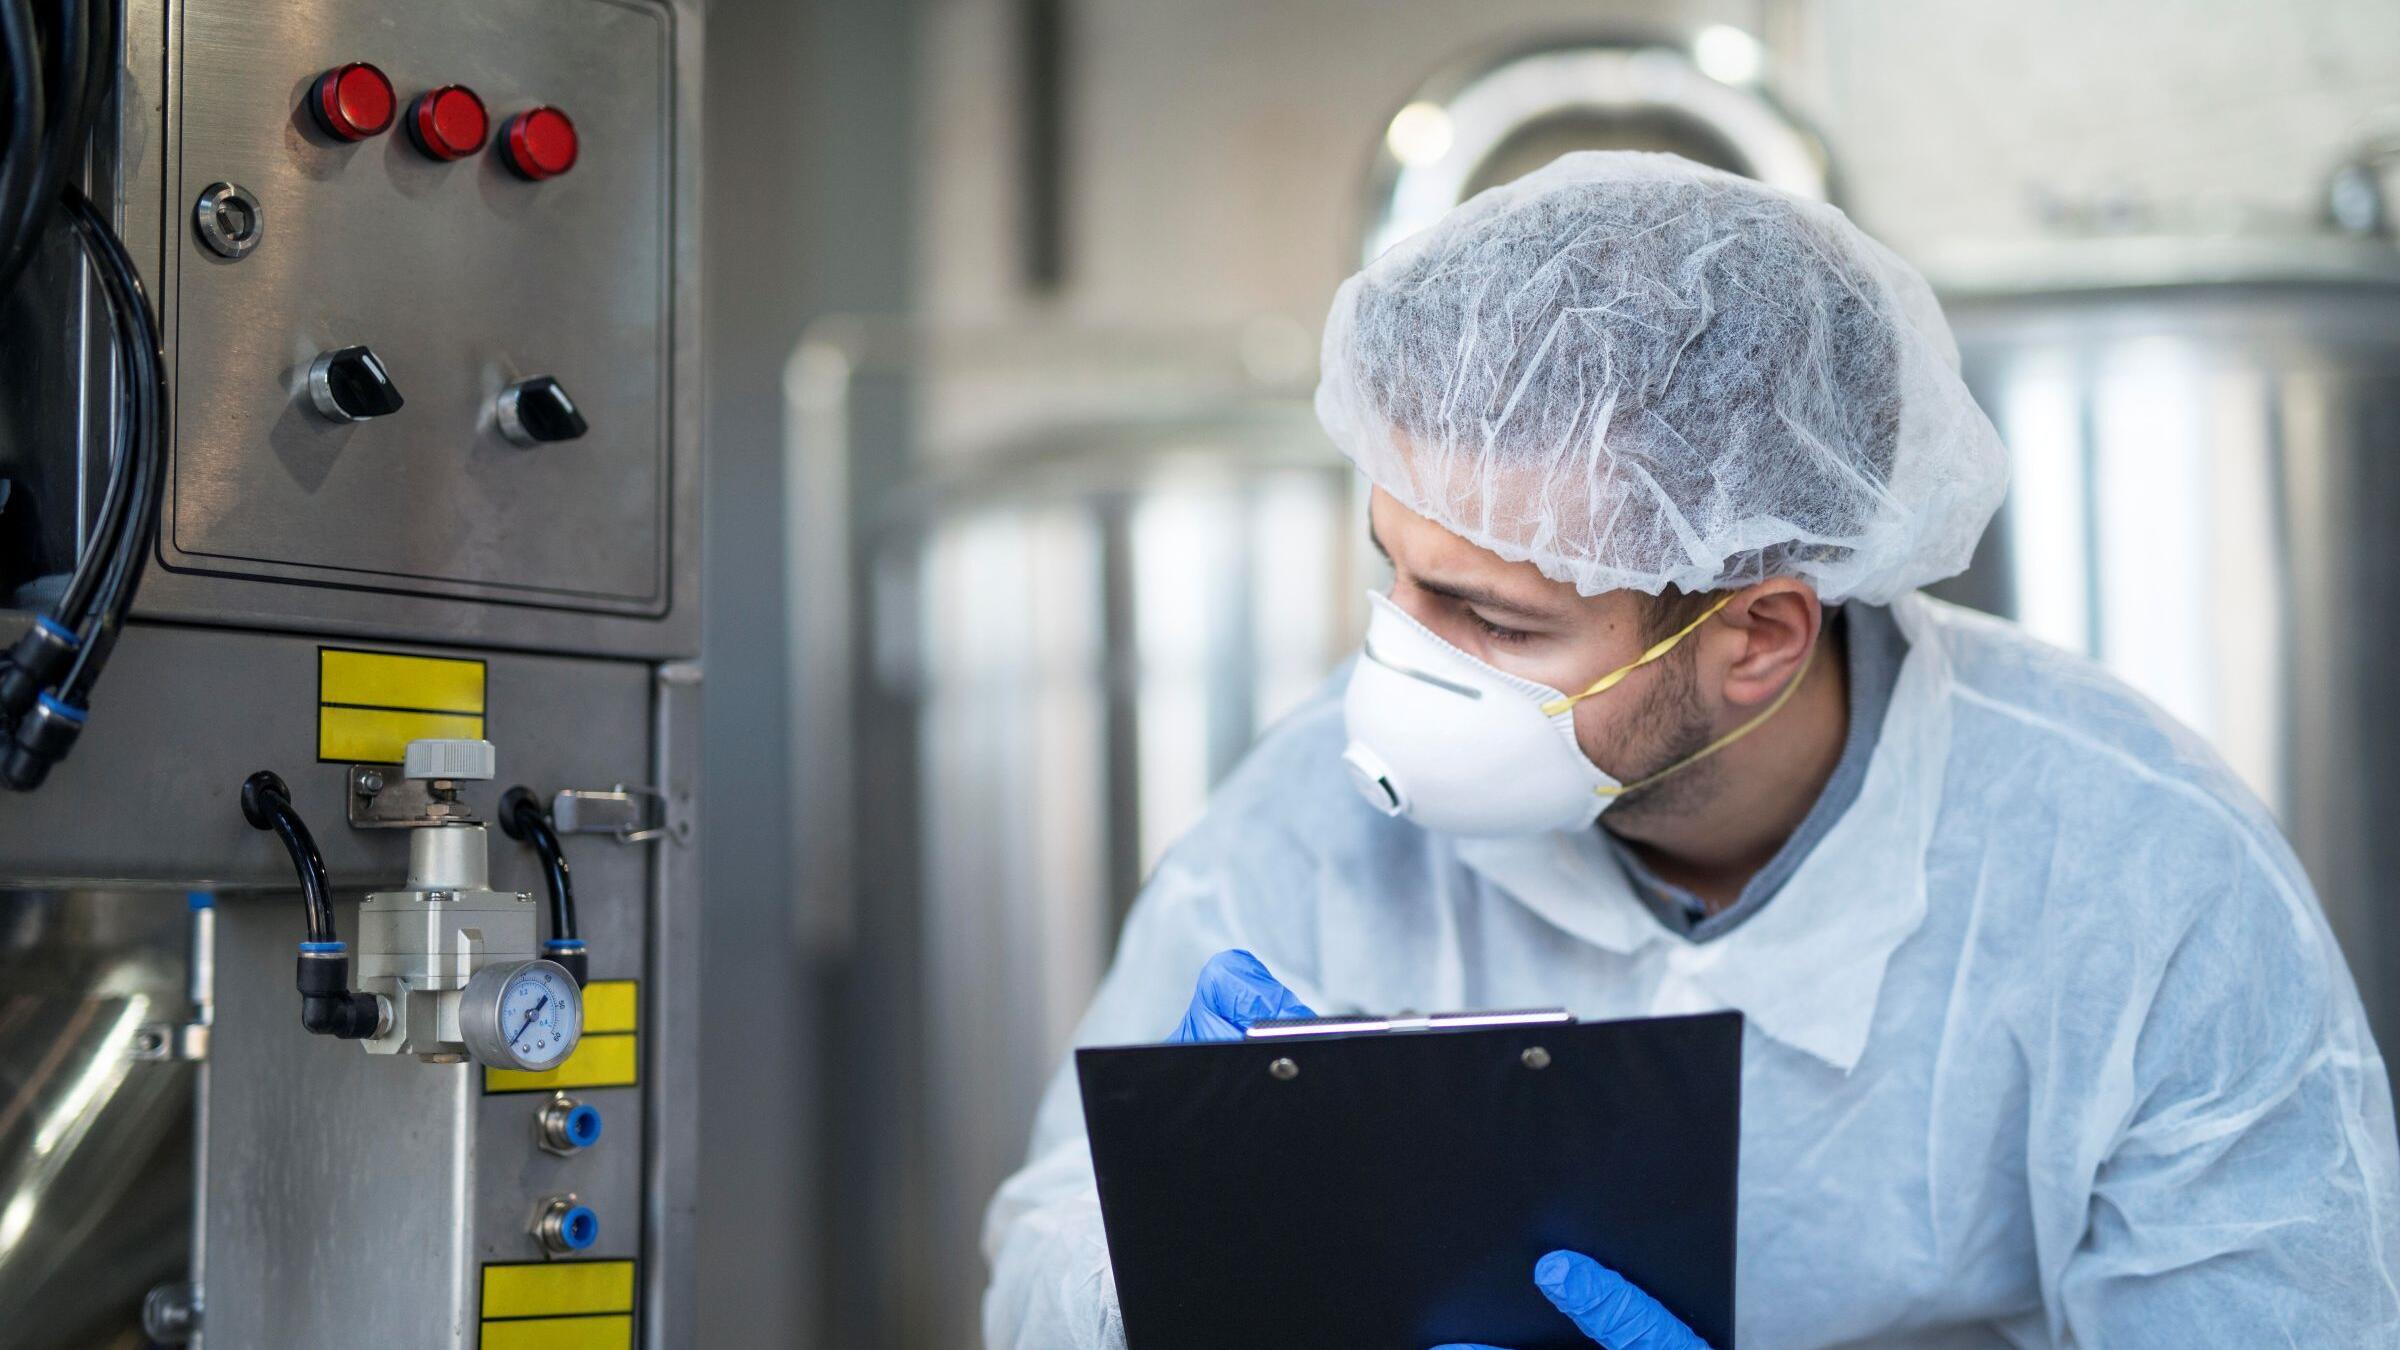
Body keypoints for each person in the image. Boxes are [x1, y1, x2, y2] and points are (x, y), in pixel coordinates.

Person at [982, 152, 2400, 1348]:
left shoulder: (2139, 882)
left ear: (1759, 636)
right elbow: (1044, 1247)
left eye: (1493, 616)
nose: (1395, 660)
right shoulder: (1314, 821)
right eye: (1393, 572)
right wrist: (1180, 1231)